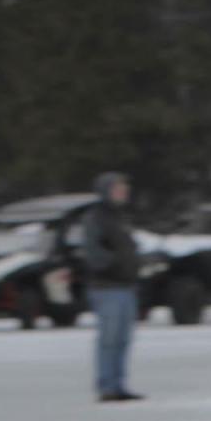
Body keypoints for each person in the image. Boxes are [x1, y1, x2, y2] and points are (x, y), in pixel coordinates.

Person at [83, 171, 143, 402]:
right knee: (108, 339)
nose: (123, 192)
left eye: (124, 187)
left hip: (126, 285)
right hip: (107, 287)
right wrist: (114, 264)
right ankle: (106, 386)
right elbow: (93, 251)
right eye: (118, 188)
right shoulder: (96, 217)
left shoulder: (121, 217)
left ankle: (118, 384)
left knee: (123, 339)